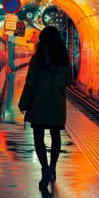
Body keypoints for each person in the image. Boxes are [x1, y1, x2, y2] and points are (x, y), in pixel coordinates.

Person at [18, 26, 71, 189]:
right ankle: (53, 167)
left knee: (39, 139)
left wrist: (23, 103)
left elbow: (31, 84)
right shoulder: (64, 59)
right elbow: (68, 81)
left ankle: (45, 169)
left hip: (38, 105)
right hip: (56, 104)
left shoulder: (37, 59)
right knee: (56, 136)